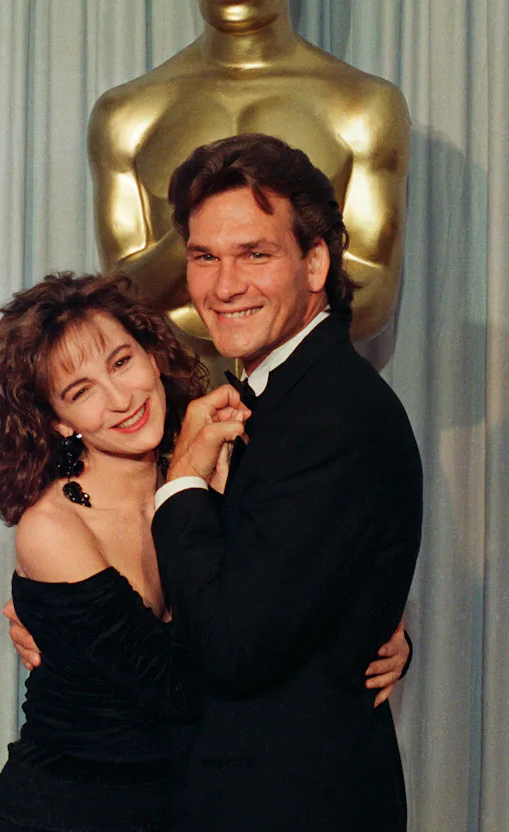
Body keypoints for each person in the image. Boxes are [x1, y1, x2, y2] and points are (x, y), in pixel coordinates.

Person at [148, 134, 423, 831]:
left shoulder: (333, 417)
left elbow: (233, 645)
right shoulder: (272, 399)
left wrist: (183, 483)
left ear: (316, 263)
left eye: (255, 254)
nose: (223, 286)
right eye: (205, 257)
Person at [0, 273, 216, 831]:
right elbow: (179, 689)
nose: (121, 399)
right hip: (61, 814)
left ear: (152, 356)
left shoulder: (194, 475)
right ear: (58, 420)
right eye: (81, 391)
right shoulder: (52, 527)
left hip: (176, 808)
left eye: (121, 362)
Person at [88, 0, 410, 378]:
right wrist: (205, 236)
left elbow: (373, 295)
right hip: (174, 398)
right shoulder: (126, 115)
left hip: (307, 395)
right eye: (204, 255)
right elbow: (119, 299)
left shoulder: (363, 106)